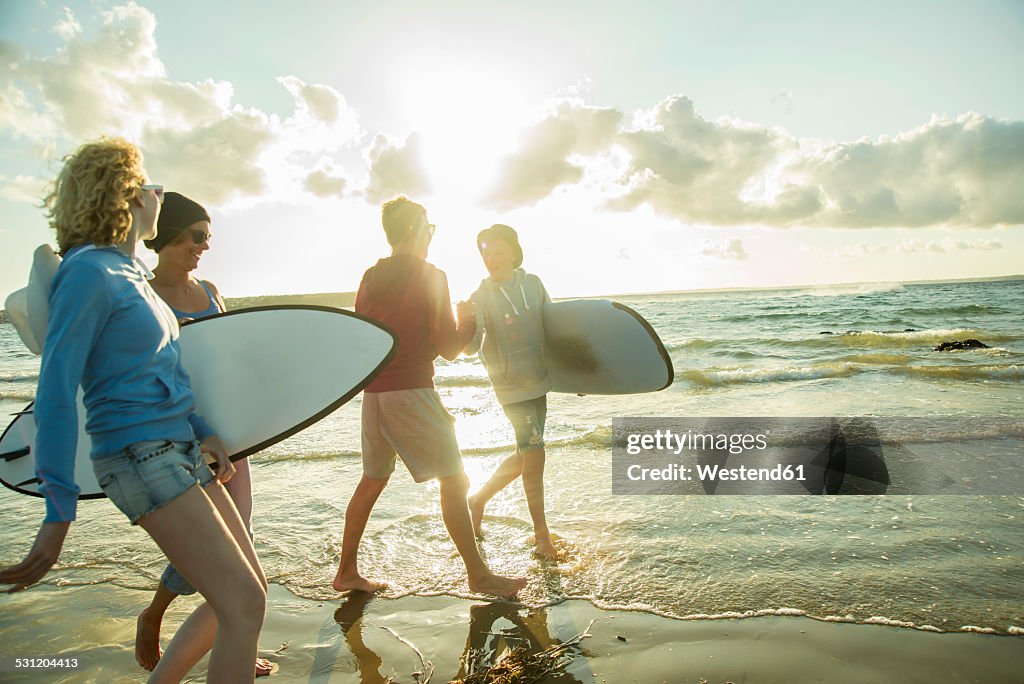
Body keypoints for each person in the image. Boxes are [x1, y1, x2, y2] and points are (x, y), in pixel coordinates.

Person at [0, 138, 267, 684]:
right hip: (142, 457)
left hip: (180, 449)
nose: (157, 194)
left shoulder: (127, 275)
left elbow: (156, 377)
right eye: (147, 184)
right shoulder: (87, 273)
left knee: (249, 596)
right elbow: (55, 389)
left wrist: (204, 432)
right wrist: (58, 510)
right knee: (243, 607)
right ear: (122, 195)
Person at [331, 196, 526, 598]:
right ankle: (479, 575)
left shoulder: (370, 277)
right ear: (414, 231)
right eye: (428, 227)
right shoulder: (430, 275)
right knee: (455, 479)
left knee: (372, 481)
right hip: (412, 391)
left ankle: (346, 571)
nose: (431, 235)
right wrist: (468, 320)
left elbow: (363, 339)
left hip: (375, 394)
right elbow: (450, 346)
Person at [133, 192, 273, 677]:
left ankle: (232, 640)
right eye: (197, 236)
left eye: (208, 237)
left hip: (231, 443)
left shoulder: (210, 290)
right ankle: (160, 617)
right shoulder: (145, 299)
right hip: (179, 447)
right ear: (167, 235)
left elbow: (229, 358)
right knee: (231, 569)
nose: (204, 246)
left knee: (242, 558)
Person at [462, 225, 558, 559]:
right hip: (510, 387)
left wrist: (579, 376)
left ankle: (477, 500)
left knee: (526, 455)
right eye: (485, 253)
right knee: (535, 455)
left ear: (514, 251)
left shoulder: (533, 284)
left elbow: (555, 327)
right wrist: (465, 321)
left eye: (497, 250)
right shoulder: (481, 297)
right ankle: (541, 537)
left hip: (540, 380)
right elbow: (470, 348)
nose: (491, 258)